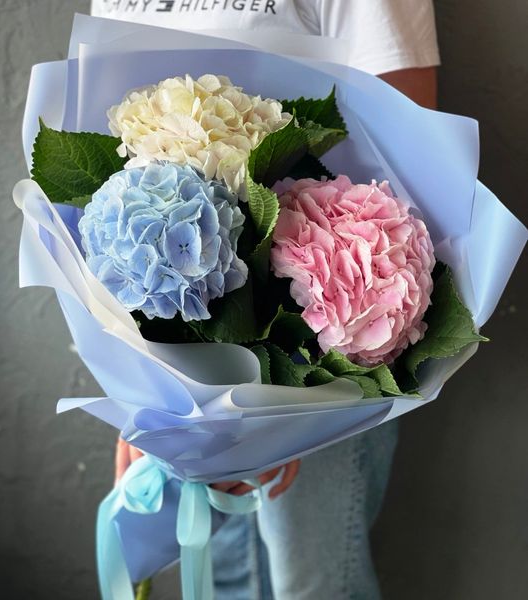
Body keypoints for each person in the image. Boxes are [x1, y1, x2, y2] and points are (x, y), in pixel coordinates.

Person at [93, 1, 439, 598]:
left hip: (320, 347)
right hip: (181, 358)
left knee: (313, 587)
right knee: (228, 580)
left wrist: (289, 413)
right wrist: (140, 390)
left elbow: (415, 155)